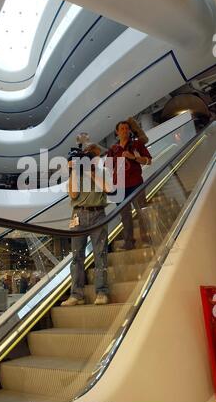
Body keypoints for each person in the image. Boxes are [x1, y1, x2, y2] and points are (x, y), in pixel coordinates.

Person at [61, 143, 112, 306]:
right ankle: (76, 295)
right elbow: (73, 193)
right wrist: (73, 170)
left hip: (98, 214)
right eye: (88, 155)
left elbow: (109, 189)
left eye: (94, 155)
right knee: (76, 256)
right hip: (78, 215)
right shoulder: (76, 173)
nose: (91, 158)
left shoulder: (103, 172)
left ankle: (102, 292)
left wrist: (91, 171)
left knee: (100, 254)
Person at [107, 119, 152, 250]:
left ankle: (147, 239)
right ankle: (129, 242)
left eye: (127, 128)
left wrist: (133, 157)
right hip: (119, 186)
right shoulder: (113, 149)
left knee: (141, 211)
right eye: (122, 129)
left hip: (135, 183)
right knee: (125, 216)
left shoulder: (136, 145)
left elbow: (148, 161)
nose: (125, 131)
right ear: (117, 132)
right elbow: (109, 167)